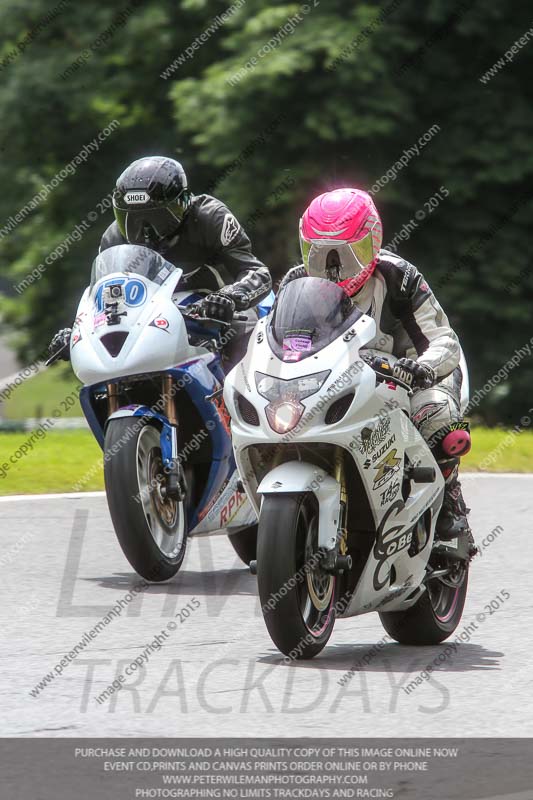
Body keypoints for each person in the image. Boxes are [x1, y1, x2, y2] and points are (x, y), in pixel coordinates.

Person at [296, 187, 473, 544]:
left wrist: (421, 368)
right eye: (321, 254)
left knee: (436, 414)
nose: (334, 268)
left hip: (410, 375)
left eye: (347, 254)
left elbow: (443, 339)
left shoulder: (399, 278)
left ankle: (450, 500)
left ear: (372, 242)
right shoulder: (297, 283)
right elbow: (273, 343)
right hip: (336, 382)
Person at [48, 156, 272, 361]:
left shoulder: (209, 217)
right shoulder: (114, 238)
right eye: (132, 220)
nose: (146, 232)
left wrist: (229, 297)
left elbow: (257, 272)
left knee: (246, 345)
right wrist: (78, 332)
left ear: (182, 203)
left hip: (217, 313)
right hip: (151, 325)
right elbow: (103, 298)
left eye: (157, 218)